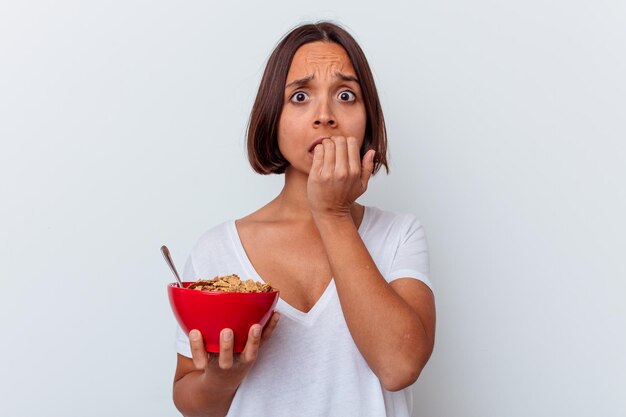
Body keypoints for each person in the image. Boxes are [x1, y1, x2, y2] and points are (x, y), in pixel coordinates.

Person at [172, 21, 436, 417]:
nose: (325, 116)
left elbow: (399, 367)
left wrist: (332, 213)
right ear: (271, 117)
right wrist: (220, 381)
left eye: (346, 95)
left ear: (368, 120)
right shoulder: (218, 248)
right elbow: (190, 402)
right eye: (300, 96)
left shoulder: (399, 235)